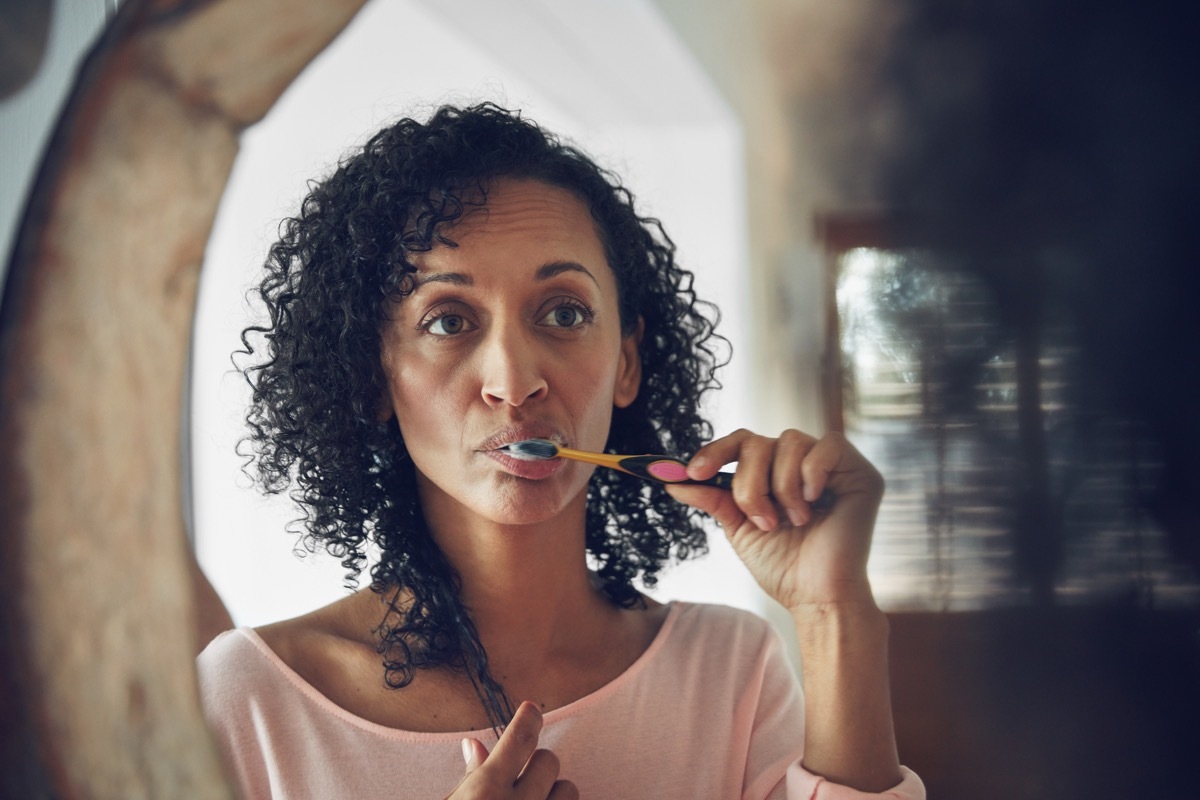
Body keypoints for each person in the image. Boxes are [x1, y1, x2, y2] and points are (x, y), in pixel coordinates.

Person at [196, 102, 925, 799]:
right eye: (449, 321)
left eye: (565, 313)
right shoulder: (248, 701)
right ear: (375, 375)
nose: (515, 383)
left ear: (627, 363)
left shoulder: (731, 672)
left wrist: (835, 614)